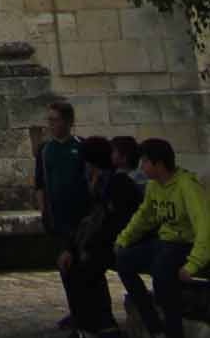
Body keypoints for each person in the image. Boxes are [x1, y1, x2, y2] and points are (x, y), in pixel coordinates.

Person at [112, 137, 210, 338]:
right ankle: (154, 325)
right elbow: (144, 217)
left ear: (158, 163)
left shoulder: (186, 186)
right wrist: (123, 240)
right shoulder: (153, 186)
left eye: (145, 162)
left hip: (185, 243)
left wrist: (193, 264)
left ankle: (174, 331)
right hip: (164, 241)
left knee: (162, 271)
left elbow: (204, 226)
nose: (142, 167)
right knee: (123, 260)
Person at [56, 135, 141, 336]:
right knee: (71, 265)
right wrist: (70, 248)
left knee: (89, 265)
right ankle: (84, 321)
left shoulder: (117, 183)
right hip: (94, 241)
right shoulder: (86, 183)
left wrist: (90, 246)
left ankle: (103, 324)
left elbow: (117, 223)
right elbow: (82, 219)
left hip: (118, 243)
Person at [36, 99, 92, 328]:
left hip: (79, 217)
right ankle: (76, 310)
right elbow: (40, 183)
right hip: (57, 217)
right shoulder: (45, 149)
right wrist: (44, 211)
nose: (51, 125)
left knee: (84, 268)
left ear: (68, 121)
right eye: (49, 120)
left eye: (55, 120)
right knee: (66, 269)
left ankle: (90, 312)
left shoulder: (81, 146)